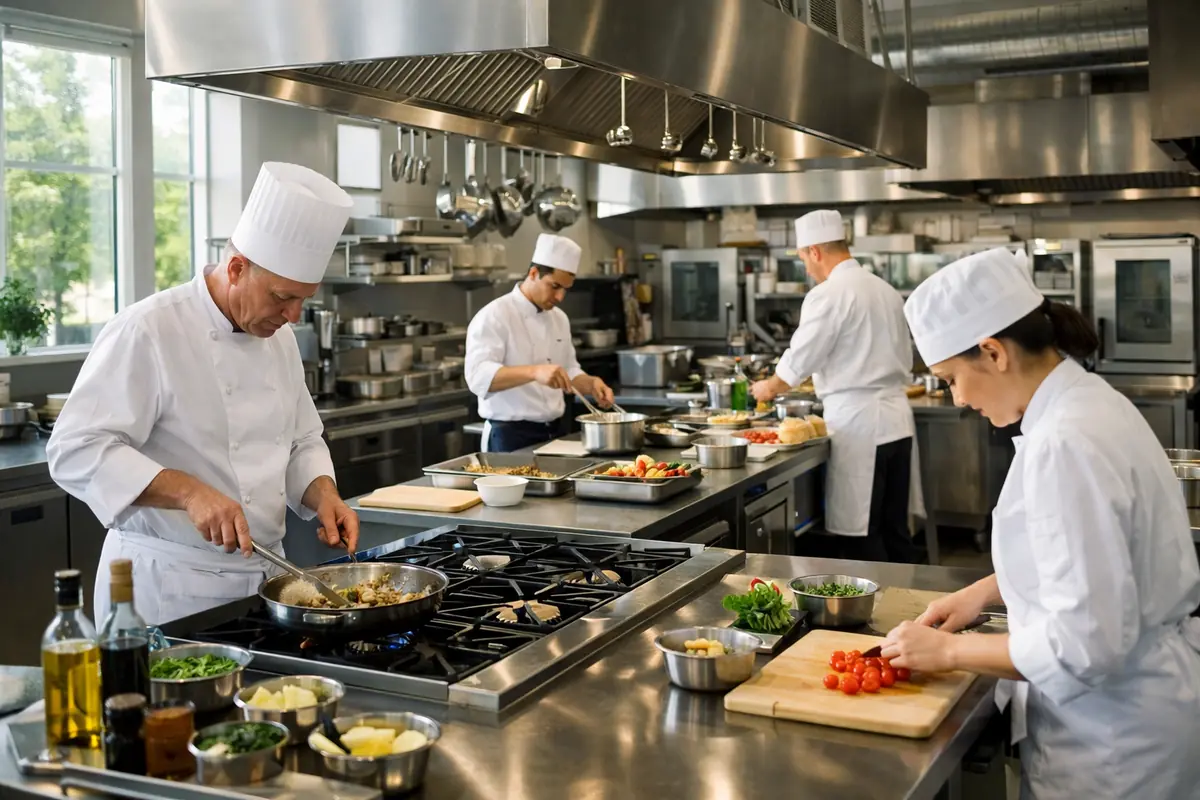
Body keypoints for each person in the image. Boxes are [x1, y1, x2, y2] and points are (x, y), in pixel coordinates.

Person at [884, 247, 1200, 800]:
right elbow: (1095, 563)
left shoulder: (1066, 441)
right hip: (1134, 715)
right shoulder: (1083, 403)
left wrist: (949, 653)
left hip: (1112, 747)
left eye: (952, 378)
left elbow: (1087, 645)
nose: (957, 399)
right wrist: (984, 592)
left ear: (992, 352)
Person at [48, 162, 361, 626]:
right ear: (236, 268)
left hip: (267, 582)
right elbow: (74, 450)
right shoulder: (148, 330)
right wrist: (189, 493)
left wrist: (324, 496)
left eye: (303, 300)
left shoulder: (280, 338)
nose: (293, 315)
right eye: (282, 297)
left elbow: (300, 440)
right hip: (170, 588)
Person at [751, 210, 922, 563]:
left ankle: (876, 614)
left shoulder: (829, 294)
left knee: (863, 536)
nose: (806, 268)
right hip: (898, 422)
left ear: (815, 251)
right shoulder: (886, 291)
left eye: (803, 258)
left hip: (860, 425)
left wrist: (769, 387)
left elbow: (801, 356)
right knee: (895, 531)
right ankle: (914, 612)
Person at [465, 233, 615, 453]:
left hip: (555, 434)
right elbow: (478, 377)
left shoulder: (559, 318)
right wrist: (534, 372)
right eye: (554, 286)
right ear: (533, 273)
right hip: (509, 437)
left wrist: (591, 384)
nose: (560, 296)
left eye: (565, 289)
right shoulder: (494, 315)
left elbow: (569, 370)